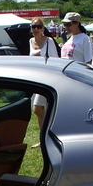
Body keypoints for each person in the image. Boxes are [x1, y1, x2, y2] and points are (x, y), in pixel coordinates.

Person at [28, 18, 59, 148]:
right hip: (36, 78)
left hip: (48, 78)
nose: (36, 29)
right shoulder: (30, 41)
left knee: (37, 109)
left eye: (39, 26)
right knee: (40, 109)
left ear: (43, 28)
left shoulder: (49, 41)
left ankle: (53, 130)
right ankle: (44, 139)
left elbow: (56, 60)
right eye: (34, 26)